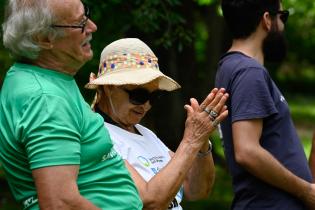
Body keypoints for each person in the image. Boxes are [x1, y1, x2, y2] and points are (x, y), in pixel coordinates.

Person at [0, 1, 142, 209]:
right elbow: (60, 203)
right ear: (44, 38)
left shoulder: (39, 76)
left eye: (87, 15)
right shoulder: (46, 100)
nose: (93, 27)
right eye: (80, 23)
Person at [85, 38, 229, 210]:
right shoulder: (96, 136)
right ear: (109, 87)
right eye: (139, 95)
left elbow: (196, 190)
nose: (145, 105)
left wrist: (202, 141)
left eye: (153, 97)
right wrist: (192, 140)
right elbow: (150, 203)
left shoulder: (144, 133)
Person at [215, 0, 315, 209]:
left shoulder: (230, 66)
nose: (283, 25)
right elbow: (247, 151)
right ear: (267, 20)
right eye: (282, 16)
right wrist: (305, 190)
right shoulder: (249, 72)